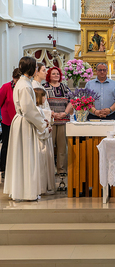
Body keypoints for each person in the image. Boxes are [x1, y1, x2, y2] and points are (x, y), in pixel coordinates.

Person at [4, 56, 50, 201]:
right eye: (36, 67)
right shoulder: (25, 85)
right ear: (31, 68)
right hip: (25, 122)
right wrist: (42, 123)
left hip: (22, 122)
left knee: (21, 157)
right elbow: (28, 109)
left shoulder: (24, 82)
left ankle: (20, 190)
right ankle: (26, 192)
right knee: (26, 157)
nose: (36, 69)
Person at [43, 67, 73, 175]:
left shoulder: (65, 87)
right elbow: (42, 105)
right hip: (50, 122)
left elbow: (71, 101)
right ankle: (49, 171)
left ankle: (61, 171)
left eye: (58, 74)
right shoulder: (44, 88)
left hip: (63, 121)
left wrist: (65, 113)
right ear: (49, 76)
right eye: (53, 74)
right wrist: (52, 114)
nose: (56, 75)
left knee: (62, 148)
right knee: (49, 148)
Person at [34, 87, 55, 194]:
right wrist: (47, 129)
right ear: (39, 97)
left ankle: (45, 187)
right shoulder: (37, 110)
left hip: (44, 139)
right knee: (42, 165)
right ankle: (41, 188)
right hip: (41, 141)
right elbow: (39, 129)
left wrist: (46, 124)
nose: (45, 98)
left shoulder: (38, 109)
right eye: (43, 96)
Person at [0, 68, 21, 178]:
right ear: (13, 78)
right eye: (16, 78)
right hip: (7, 120)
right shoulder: (6, 87)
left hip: (20, 121)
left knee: (18, 145)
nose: (18, 81)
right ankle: (3, 168)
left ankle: (15, 168)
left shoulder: (23, 87)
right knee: (6, 144)